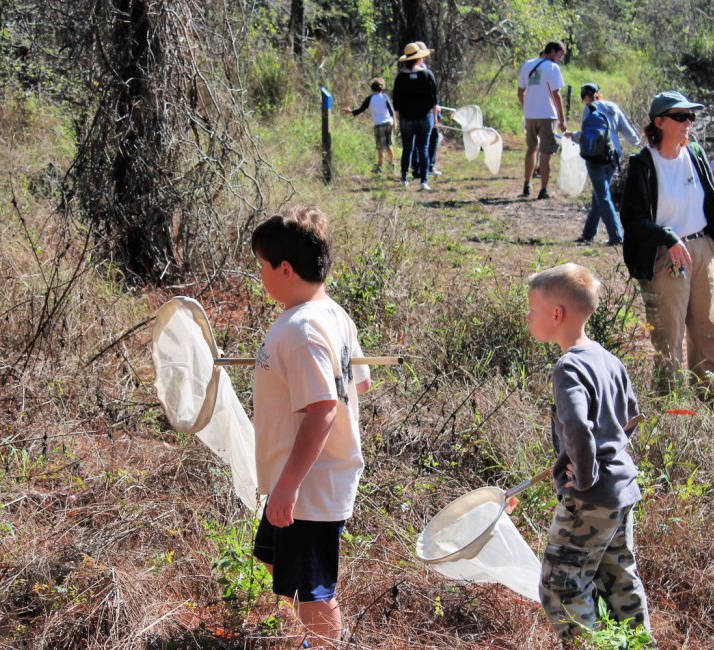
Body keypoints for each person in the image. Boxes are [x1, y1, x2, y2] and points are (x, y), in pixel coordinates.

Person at [250, 206, 372, 646]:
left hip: (308, 487)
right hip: (302, 480)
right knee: (270, 555)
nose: (259, 274)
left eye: (262, 266)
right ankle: (317, 636)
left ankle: (324, 643)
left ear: (284, 268)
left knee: (312, 593)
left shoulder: (301, 329)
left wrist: (288, 487)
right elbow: (362, 380)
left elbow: (323, 410)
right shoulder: (329, 313)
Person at [526, 263, 653, 645]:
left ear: (556, 315)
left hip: (592, 496)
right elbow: (631, 416)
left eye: (532, 311)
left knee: (560, 586)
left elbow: (579, 427)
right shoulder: (607, 359)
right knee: (618, 579)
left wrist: (583, 476)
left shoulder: (568, 367)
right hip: (622, 490)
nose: (528, 318)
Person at [620, 91, 714, 411]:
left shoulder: (695, 153)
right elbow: (633, 219)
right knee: (668, 336)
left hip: (702, 248)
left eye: (690, 117)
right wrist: (667, 237)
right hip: (665, 255)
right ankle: (672, 408)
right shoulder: (643, 163)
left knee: (712, 328)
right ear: (660, 122)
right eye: (681, 117)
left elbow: (713, 202)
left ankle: (713, 398)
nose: (688, 123)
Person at [566, 83, 641, 246]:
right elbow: (629, 132)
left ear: (585, 97)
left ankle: (616, 236)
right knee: (599, 194)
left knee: (603, 195)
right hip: (614, 155)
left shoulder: (589, 109)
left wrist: (572, 135)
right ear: (599, 93)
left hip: (596, 157)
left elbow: (587, 136)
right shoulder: (613, 107)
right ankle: (588, 234)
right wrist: (640, 144)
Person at [517, 41, 568, 199]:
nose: (559, 59)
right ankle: (543, 190)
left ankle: (527, 184)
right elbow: (556, 94)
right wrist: (562, 119)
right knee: (546, 152)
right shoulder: (553, 68)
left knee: (531, 149)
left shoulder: (527, 65)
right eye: (559, 55)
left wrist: (528, 107)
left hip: (530, 116)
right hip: (548, 115)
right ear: (552, 51)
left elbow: (520, 92)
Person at [393, 42, 439, 191]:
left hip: (407, 118)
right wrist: (435, 117)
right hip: (424, 117)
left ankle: (404, 178)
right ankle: (424, 181)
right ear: (419, 58)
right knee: (423, 148)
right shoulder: (427, 74)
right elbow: (434, 98)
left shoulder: (400, 77)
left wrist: (397, 114)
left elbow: (396, 99)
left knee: (407, 149)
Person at [343, 77, 396, 174]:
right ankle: (392, 165)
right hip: (388, 123)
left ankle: (380, 167)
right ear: (382, 88)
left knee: (380, 147)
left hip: (378, 124)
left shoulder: (370, 99)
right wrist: (395, 122)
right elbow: (391, 110)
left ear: (372, 88)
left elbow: (360, 110)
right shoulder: (385, 97)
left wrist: (350, 112)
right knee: (389, 145)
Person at [413, 41, 443, 177]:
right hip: (426, 112)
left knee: (420, 139)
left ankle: (420, 167)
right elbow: (430, 93)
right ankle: (426, 167)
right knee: (431, 138)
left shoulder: (410, 70)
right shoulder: (422, 70)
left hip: (422, 110)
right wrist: (435, 109)